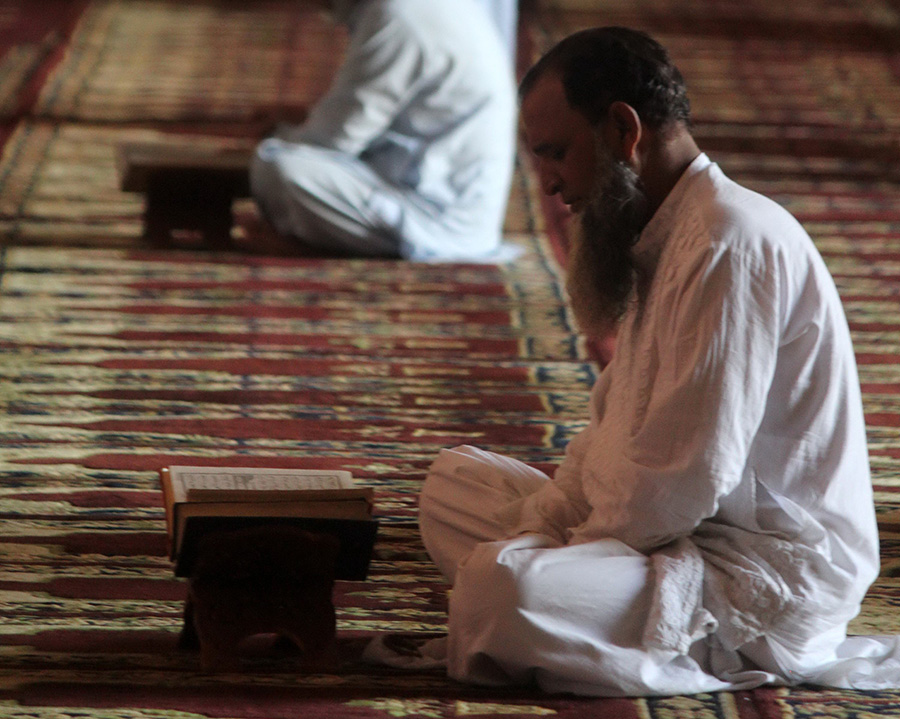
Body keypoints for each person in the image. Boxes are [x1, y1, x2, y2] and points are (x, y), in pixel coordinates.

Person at [400, 26, 900, 695]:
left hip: (753, 571)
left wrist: (553, 552)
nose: (547, 183)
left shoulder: (727, 241)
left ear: (621, 129)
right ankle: (559, 599)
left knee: (501, 586)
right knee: (452, 486)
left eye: (556, 154)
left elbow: (684, 478)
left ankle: (577, 612)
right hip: (664, 531)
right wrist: (548, 521)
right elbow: (609, 434)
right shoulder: (656, 230)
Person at [250, 0, 518, 262]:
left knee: (278, 167)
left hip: (438, 220)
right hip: (434, 192)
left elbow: (335, 139)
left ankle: (310, 243)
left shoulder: (399, 13)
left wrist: (283, 135)